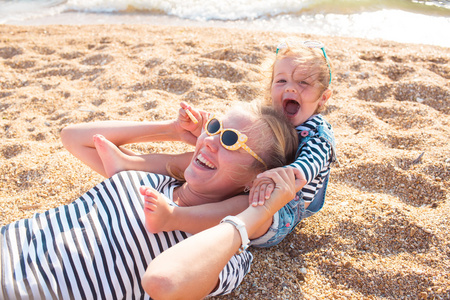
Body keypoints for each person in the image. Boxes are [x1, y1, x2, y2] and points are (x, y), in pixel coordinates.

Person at [0, 103, 298, 299]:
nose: (209, 141)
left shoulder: (226, 252)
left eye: (232, 140)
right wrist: (170, 130)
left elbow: (165, 281)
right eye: (215, 127)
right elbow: (73, 137)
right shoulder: (155, 180)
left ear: (256, 177)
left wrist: (259, 211)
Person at [62, 38, 338, 247]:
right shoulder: (271, 117)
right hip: (249, 175)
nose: (290, 88)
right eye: (282, 80)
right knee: (203, 153)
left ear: (323, 98)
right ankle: (129, 163)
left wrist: (280, 176)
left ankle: (174, 218)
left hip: (283, 205)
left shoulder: (318, 132)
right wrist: (199, 131)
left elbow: (308, 165)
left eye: (303, 83)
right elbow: (70, 135)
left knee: (249, 207)